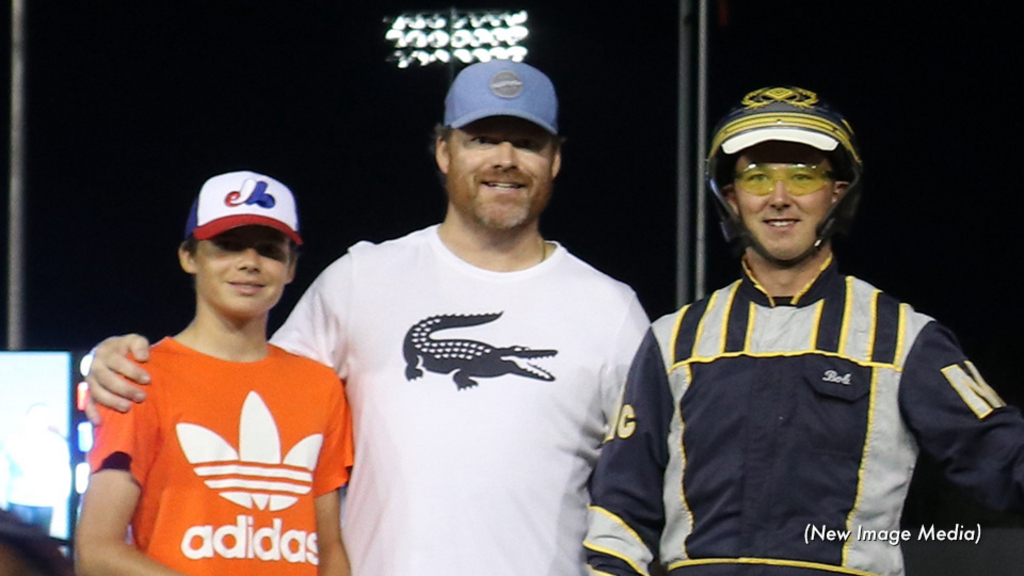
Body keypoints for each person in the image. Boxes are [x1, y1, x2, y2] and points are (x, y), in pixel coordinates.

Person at [84, 61, 650, 575]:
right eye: (482, 139)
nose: (505, 158)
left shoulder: (609, 308)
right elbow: (242, 381)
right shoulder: (362, 280)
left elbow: (651, 486)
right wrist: (115, 360)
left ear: (554, 159)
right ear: (444, 151)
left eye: (527, 143)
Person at [584, 86, 1024, 576]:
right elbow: (621, 509)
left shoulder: (903, 338)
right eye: (756, 178)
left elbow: (1005, 459)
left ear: (837, 192)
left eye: (802, 176)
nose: (779, 198)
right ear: (729, 196)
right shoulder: (674, 340)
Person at [74, 172, 354, 576]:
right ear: (189, 256)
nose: (249, 263)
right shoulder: (137, 377)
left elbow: (328, 550)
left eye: (270, 251)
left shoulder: (319, 385)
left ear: (291, 268)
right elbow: (96, 551)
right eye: (227, 246)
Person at [1, 404, 71, 536]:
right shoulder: (13, 440)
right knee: (17, 544)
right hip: (18, 500)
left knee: (42, 544)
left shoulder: (57, 443)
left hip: (45, 501)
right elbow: (17, 463)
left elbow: (63, 470)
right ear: (26, 418)